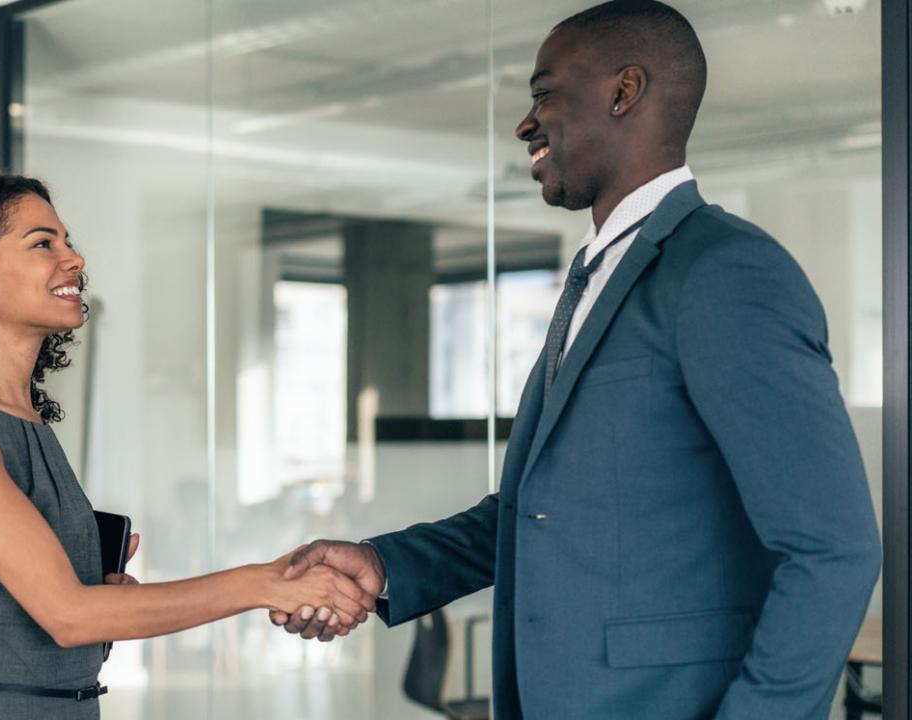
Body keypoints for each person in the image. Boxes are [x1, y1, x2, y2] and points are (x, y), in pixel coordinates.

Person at [271, 2, 882, 718]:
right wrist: (383, 567)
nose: (527, 124)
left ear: (624, 92)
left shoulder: (725, 272)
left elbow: (831, 552)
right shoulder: (596, 276)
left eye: (543, 94)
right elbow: (539, 514)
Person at [0, 171, 373, 720]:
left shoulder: (24, 422)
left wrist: (114, 601)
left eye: (67, 240)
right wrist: (262, 584)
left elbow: (69, 615)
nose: (74, 258)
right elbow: (68, 615)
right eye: (42, 243)